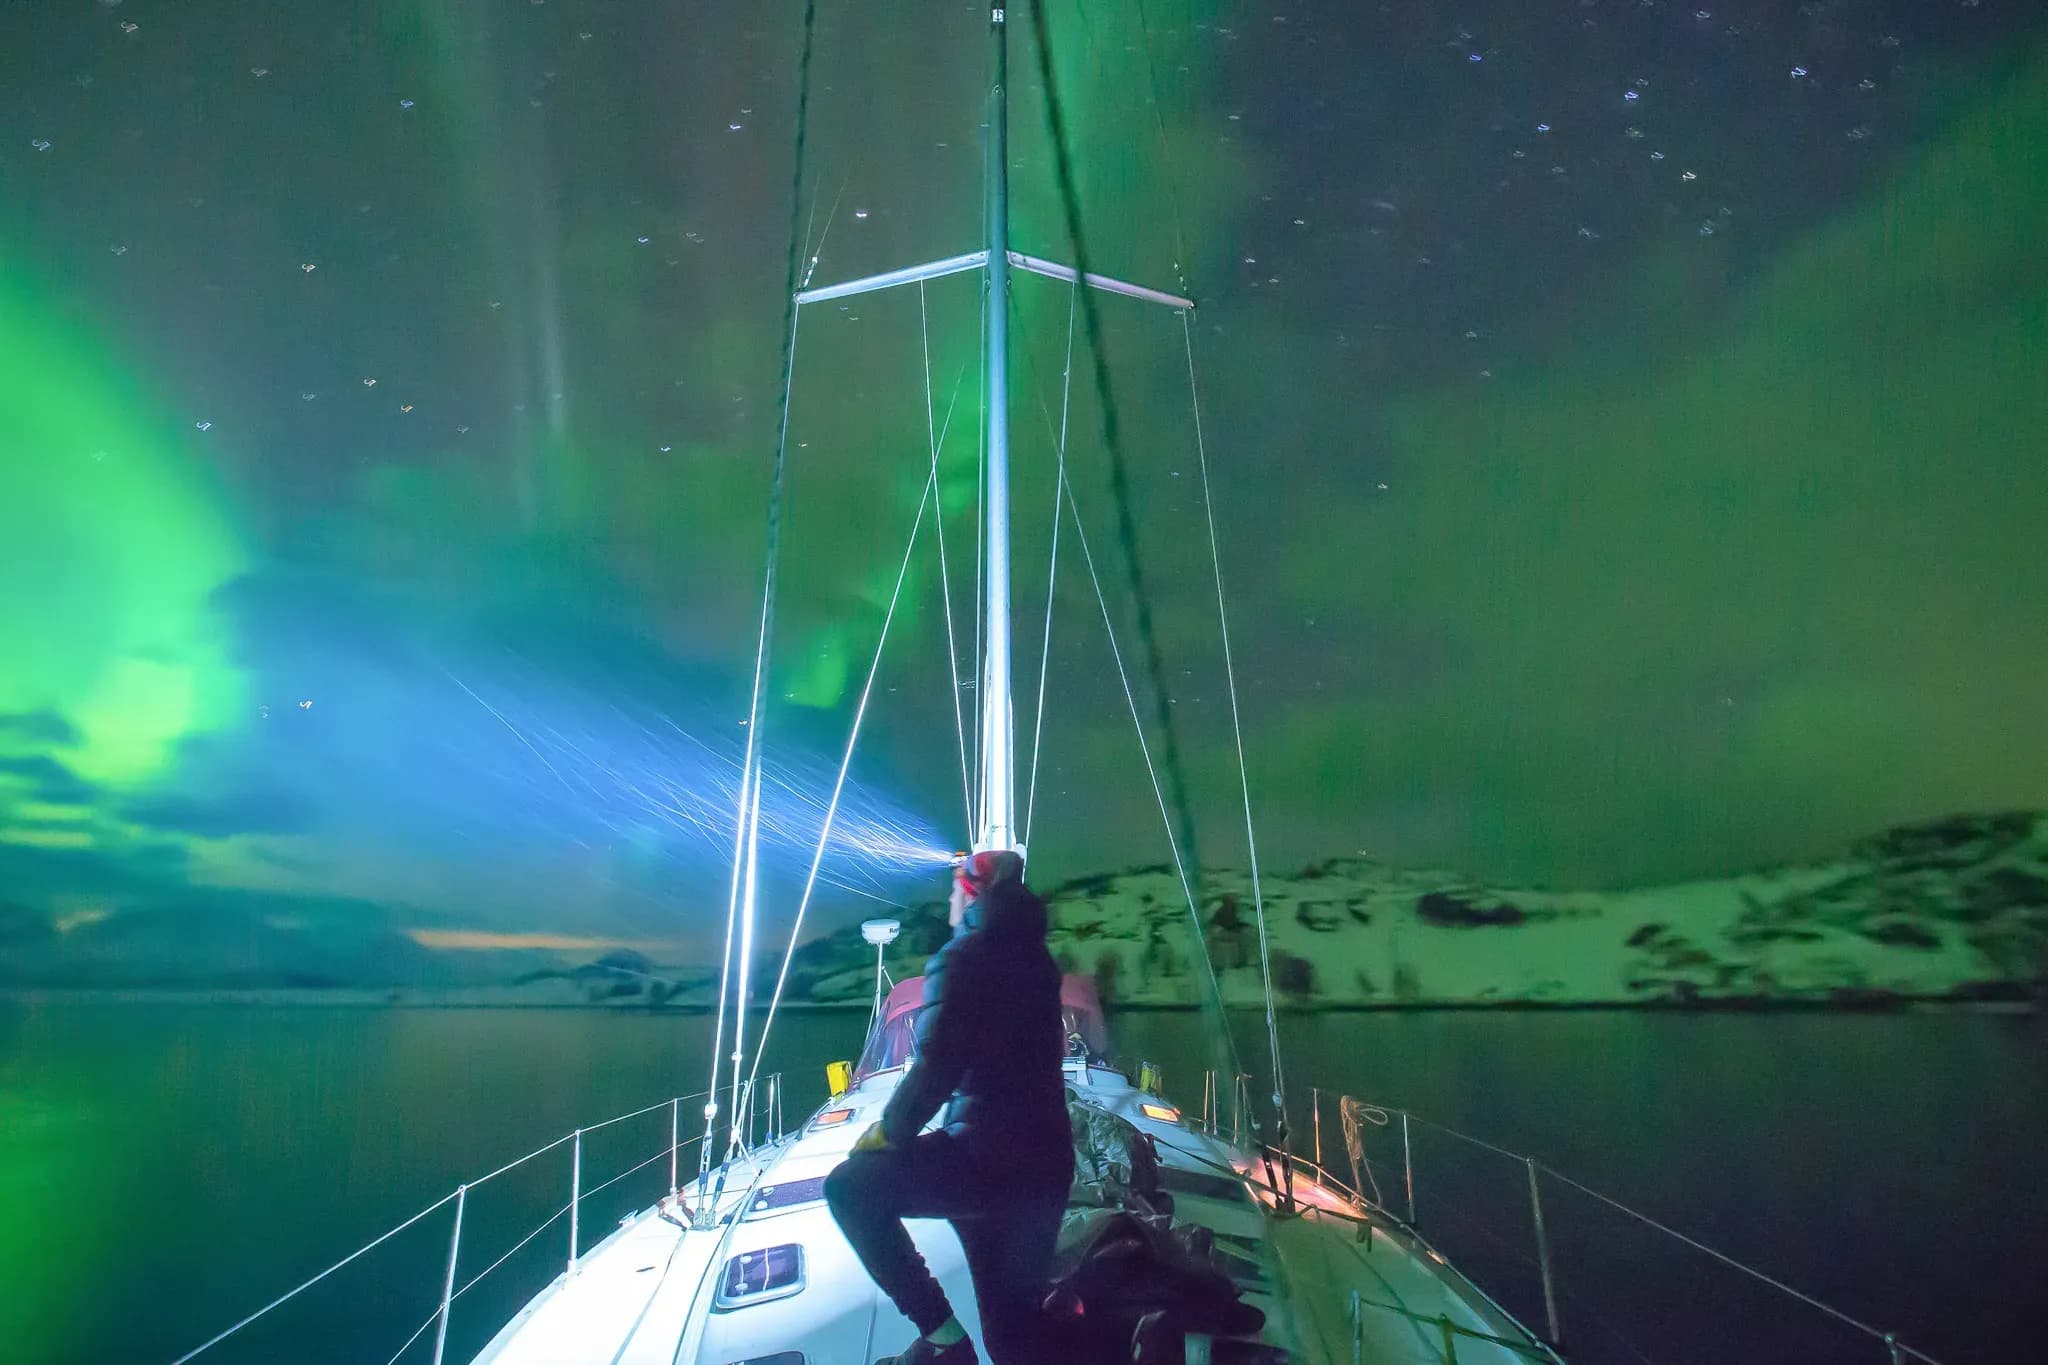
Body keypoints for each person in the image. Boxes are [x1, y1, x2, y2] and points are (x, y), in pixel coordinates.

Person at [824, 849, 1074, 1365]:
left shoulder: (966, 957)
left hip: (985, 1162)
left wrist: (888, 1135)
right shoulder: (1036, 958)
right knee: (1014, 1337)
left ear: (971, 892)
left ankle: (943, 1340)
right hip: (1044, 1167)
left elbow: (939, 1065)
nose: (950, 900)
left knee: (851, 1188)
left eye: (955, 889)